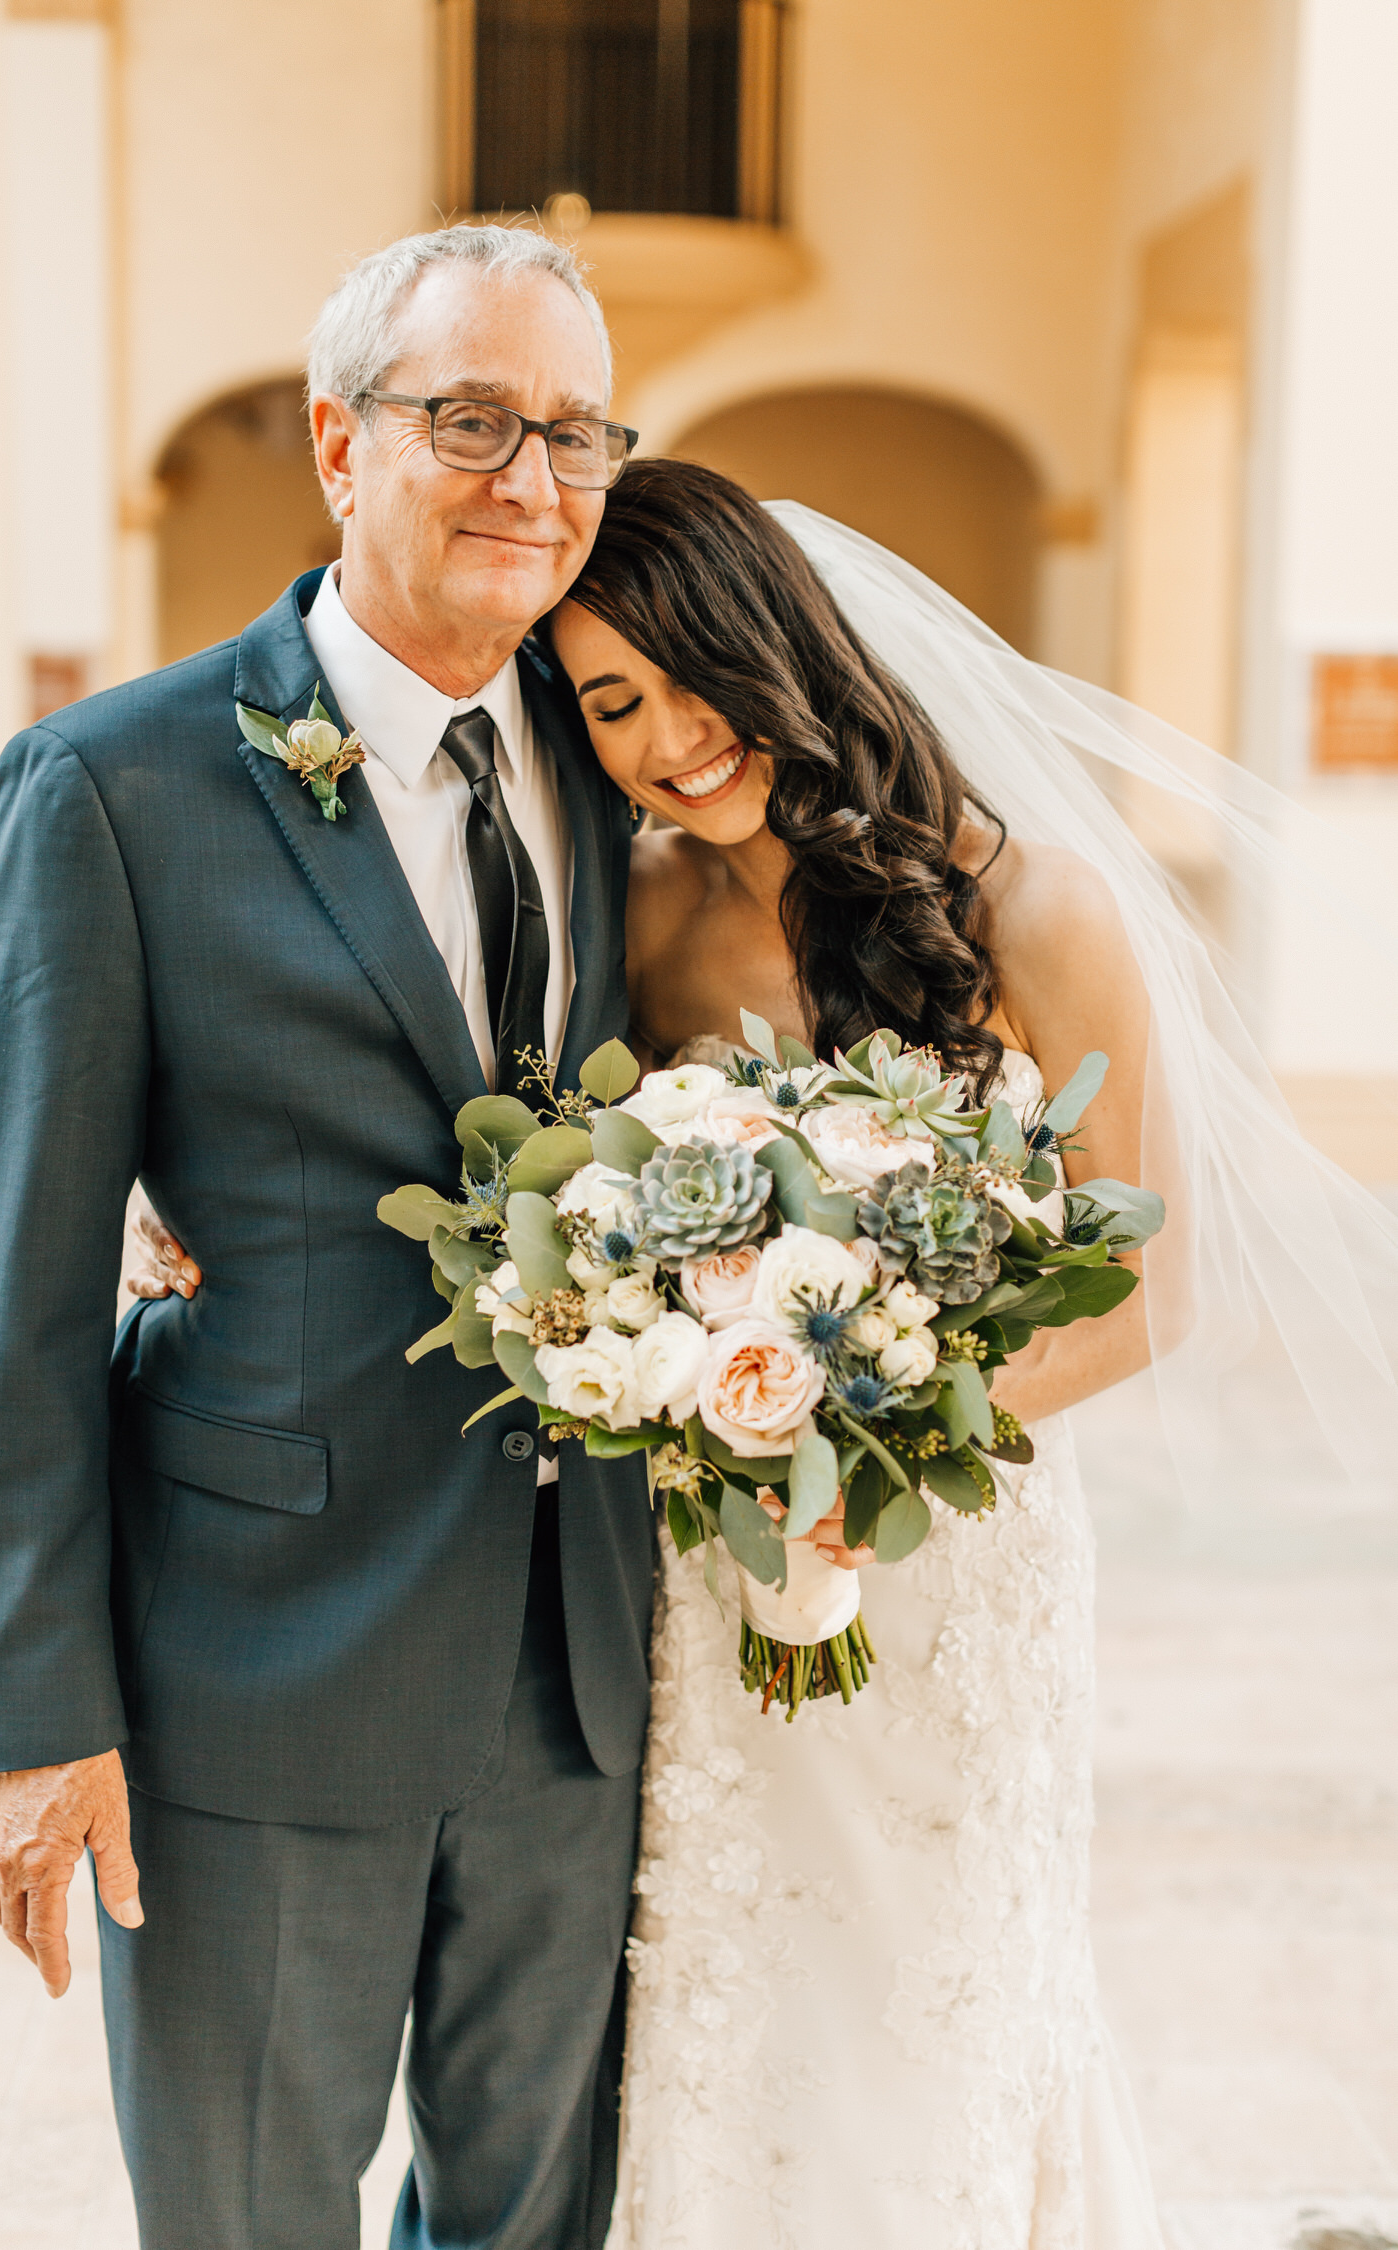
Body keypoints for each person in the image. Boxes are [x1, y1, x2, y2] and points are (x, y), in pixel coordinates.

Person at [130, 459, 1398, 2250]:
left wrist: (868, 1447)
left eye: (688, 672)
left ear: (780, 640)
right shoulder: (634, 906)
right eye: (611, 703)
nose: (668, 738)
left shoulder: (1040, 912)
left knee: (935, 1970)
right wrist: (211, 1208)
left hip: (950, 1544)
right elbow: (501, 1143)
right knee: (721, 1974)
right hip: (708, 1552)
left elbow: (1150, 1284)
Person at [0, 225, 656, 2250]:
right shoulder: (112, 787)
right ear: (341, 446)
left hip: (577, 1667)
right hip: (253, 1670)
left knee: (533, 2223)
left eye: (576, 433)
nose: (531, 480)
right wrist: (36, 1714)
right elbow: (19, 1282)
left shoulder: (618, 770)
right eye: (472, 420)